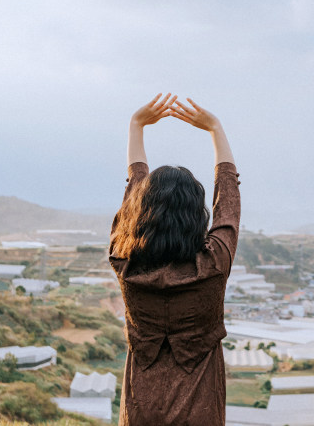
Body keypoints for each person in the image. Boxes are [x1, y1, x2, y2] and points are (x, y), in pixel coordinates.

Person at [109, 93, 240, 426]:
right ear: (196, 216)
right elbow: (228, 204)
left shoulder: (126, 263)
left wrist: (136, 125)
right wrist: (214, 128)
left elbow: (133, 199)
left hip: (141, 410)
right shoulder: (213, 266)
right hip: (201, 412)